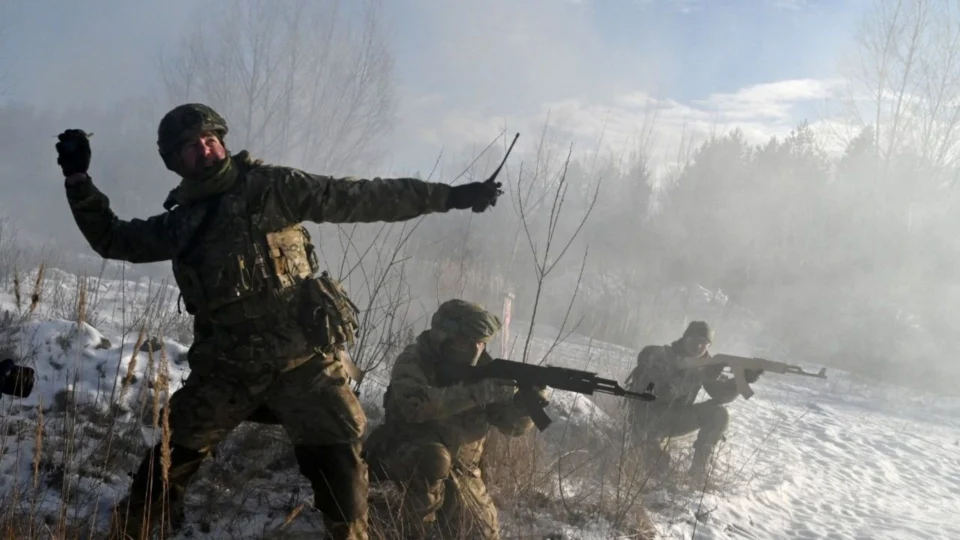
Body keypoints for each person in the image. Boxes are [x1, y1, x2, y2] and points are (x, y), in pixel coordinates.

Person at [54, 103, 505, 540]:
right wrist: (78, 181)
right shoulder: (181, 223)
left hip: (303, 363)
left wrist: (450, 196)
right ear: (176, 161)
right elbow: (114, 239)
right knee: (167, 462)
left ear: (222, 141)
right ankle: (131, 529)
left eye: (209, 140)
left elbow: (361, 198)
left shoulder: (273, 188)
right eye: (191, 147)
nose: (205, 150)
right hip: (228, 370)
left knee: (343, 474)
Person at [363, 299, 546, 539]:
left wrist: (524, 407)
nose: (475, 350)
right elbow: (414, 406)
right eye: (466, 342)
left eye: (480, 343)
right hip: (403, 451)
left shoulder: (486, 370)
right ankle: (412, 532)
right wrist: (474, 393)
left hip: (462, 467)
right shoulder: (414, 359)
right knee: (433, 459)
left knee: (482, 534)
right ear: (443, 337)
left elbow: (510, 426)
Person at [623, 321, 762, 483]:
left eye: (704, 343)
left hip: (676, 419)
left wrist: (742, 379)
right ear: (685, 338)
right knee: (656, 467)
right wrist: (697, 375)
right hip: (646, 419)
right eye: (694, 340)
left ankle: (698, 473)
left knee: (718, 414)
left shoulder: (706, 365)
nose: (698, 346)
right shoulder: (659, 355)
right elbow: (662, 392)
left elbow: (721, 396)